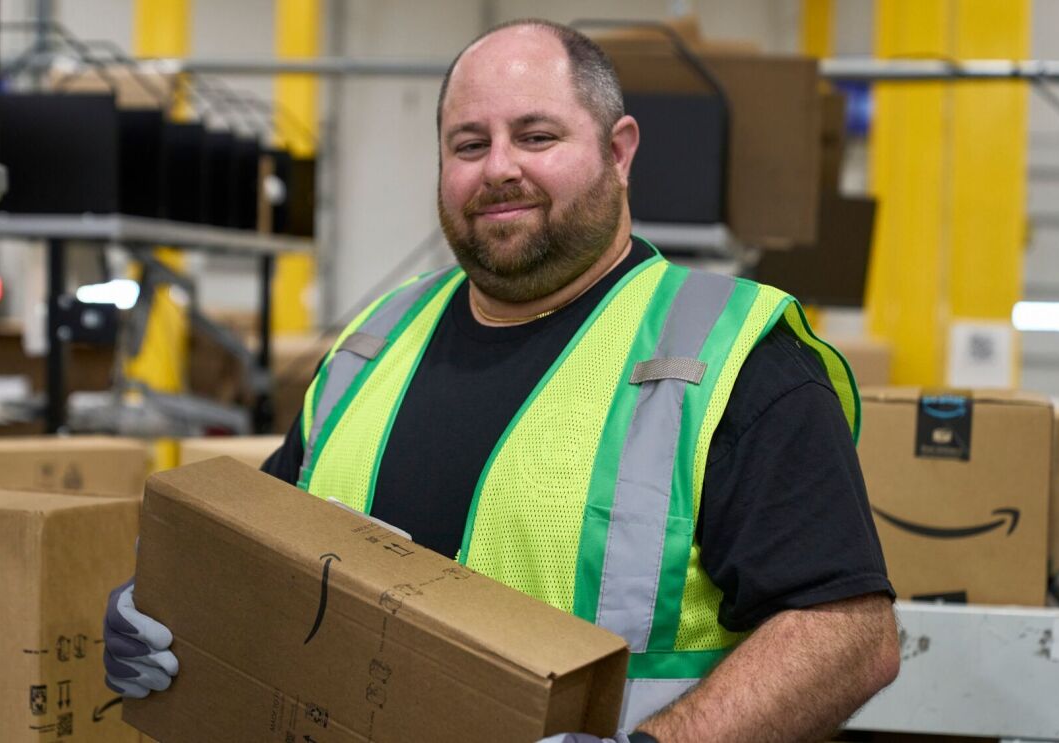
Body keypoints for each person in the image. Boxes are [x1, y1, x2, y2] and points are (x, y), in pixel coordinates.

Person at [105, 18, 900, 742]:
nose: (500, 169)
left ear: (618, 151)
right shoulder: (373, 343)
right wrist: (166, 605)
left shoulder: (733, 354)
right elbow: (265, 552)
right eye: (468, 143)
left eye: (537, 135)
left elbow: (847, 633)